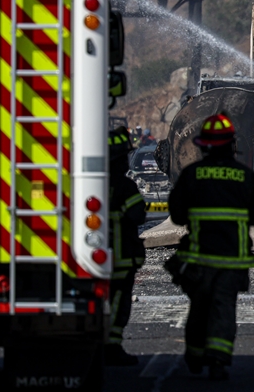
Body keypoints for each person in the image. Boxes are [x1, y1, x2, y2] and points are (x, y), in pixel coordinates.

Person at [167, 114, 254, 380]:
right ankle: (218, 360)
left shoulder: (191, 175)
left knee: (199, 306)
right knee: (224, 308)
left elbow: (177, 215)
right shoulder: (244, 176)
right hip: (232, 260)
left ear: (204, 146)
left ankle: (196, 354)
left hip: (198, 259)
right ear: (230, 145)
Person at [105, 128, 146, 366]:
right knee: (119, 301)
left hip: (91, 259)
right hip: (121, 259)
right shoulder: (125, 187)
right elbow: (137, 216)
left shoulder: (89, 183)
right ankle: (111, 345)